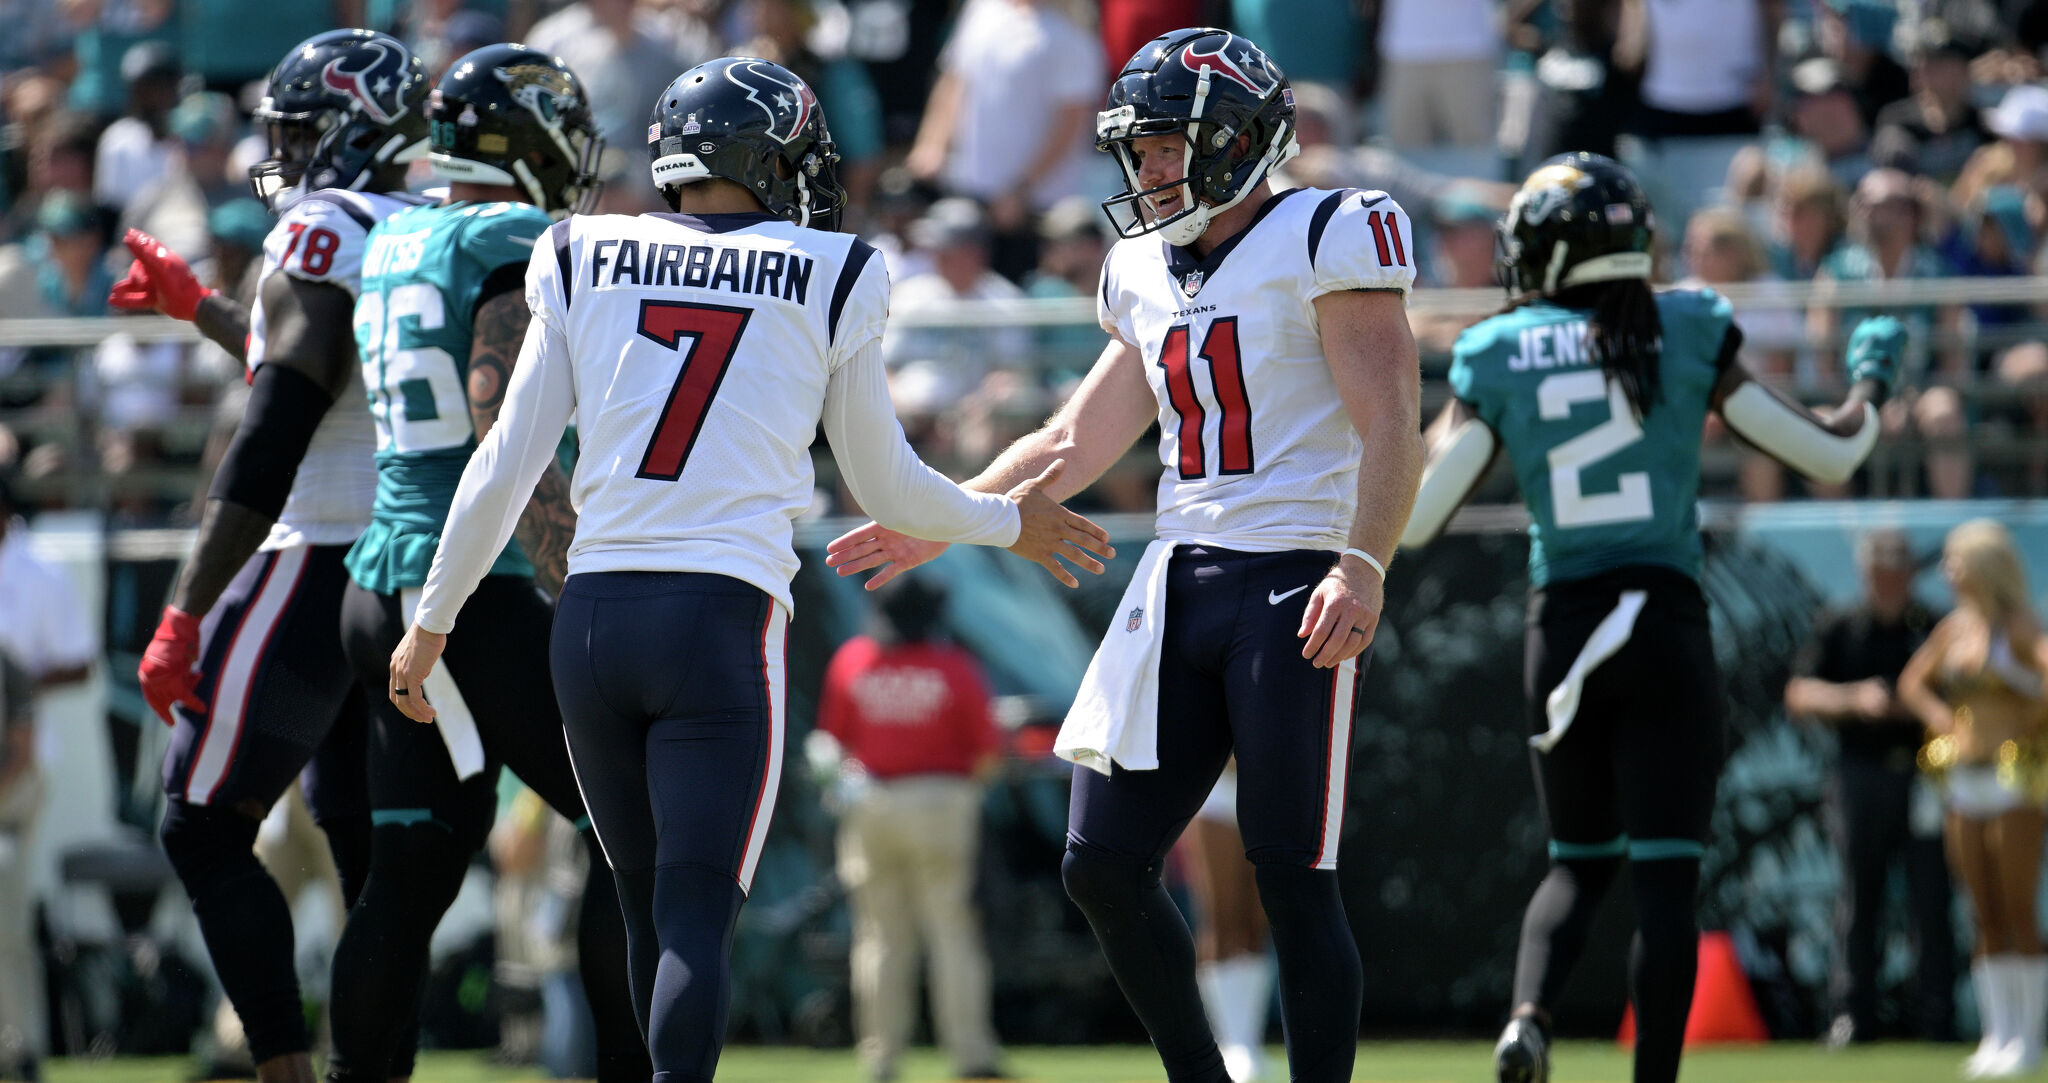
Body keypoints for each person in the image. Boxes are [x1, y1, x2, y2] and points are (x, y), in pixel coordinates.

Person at [384, 55, 1112, 1083]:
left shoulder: (582, 250)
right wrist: (1004, 521)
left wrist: (432, 620)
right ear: (769, 159)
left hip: (589, 622)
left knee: (641, 907)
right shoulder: (831, 269)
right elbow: (888, 487)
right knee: (691, 912)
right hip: (716, 621)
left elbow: (505, 461)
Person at [831, 27, 1423, 1083]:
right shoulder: (1140, 267)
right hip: (1181, 575)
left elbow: (1389, 418)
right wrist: (946, 516)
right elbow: (1066, 441)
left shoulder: (1329, 228)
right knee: (1100, 865)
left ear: (1240, 142)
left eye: (1163, 148)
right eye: (1137, 151)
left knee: (1292, 875)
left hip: (1294, 569)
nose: (1145, 172)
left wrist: (1361, 563)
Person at [1397, 153, 1899, 1083]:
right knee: (1668, 880)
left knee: (1575, 865)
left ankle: (1527, 1019)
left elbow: (1422, 514)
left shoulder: (1503, 347)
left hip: (1567, 628)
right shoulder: (1690, 324)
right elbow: (1832, 452)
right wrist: (1871, 386)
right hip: (1666, 624)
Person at [112, 29, 435, 1083]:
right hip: (409, 571)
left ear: (348, 129)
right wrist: (200, 307)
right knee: (369, 864)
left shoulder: (319, 225)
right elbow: (334, 374)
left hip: (316, 555)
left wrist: (187, 610)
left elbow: (277, 429)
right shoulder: (425, 222)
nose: (280, 152)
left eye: (296, 130)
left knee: (200, 826)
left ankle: (285, 1071)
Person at [325, 44, 646, 1083]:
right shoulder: (513, 235)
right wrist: (567, 572)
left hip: (381, 576)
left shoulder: (395, 235)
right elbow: (496, 411)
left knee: (407, 876)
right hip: (475, 587)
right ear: (529, 136)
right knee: (630, 832)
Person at [816, 576, 1006, 1083]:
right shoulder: (953, 666)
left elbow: (830, 748)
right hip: (942, 802)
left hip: (871, 805)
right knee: (953, 935)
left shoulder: (853, 660)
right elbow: (988, 754)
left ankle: (881, 1060)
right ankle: (972, 1057)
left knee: (879, 939)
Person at [1785, 528, 1954, 1045]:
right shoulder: (1841, 626)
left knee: (1931, 898)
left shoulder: (1932, 627)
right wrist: (1855, 699)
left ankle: (1936, 1015)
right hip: (1860, 774)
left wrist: (1913, 706)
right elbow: (1800, 693)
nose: (1890, 584)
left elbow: (1954, 696)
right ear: (1866, 574)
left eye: (1898, 573)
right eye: (1881, 573)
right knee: (1860, 896)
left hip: (1925, 773)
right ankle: (1853, 1013)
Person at [1899, 520, 2048, 1080]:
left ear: (1983, 565)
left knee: (2017, 906)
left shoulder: (2018, 625)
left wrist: (2026, 725)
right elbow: (1912, 684)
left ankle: (2028, 1040)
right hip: (1963, 779)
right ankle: (1996, 1034)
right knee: (1980, 910)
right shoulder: (1953, 629)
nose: (1947, 572)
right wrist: (1942, 719)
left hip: (2014, 780)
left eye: (1956, 561)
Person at [0, 649, 39, 1083]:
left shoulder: (8, 664)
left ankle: (21, 1050)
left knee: (8, 941)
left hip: (2, 822)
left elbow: (21, 752)